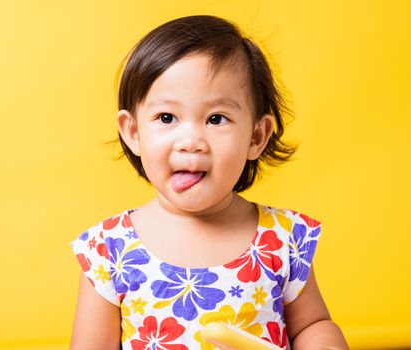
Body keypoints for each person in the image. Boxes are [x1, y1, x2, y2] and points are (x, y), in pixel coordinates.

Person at [70, 15, 348, 349]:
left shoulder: (281, 239)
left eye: (216, 119)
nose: (191, 141)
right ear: (133, 132)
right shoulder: (110, 249)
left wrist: (324, 343)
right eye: (167, 118)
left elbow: (312, 325)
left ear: (256, 137)